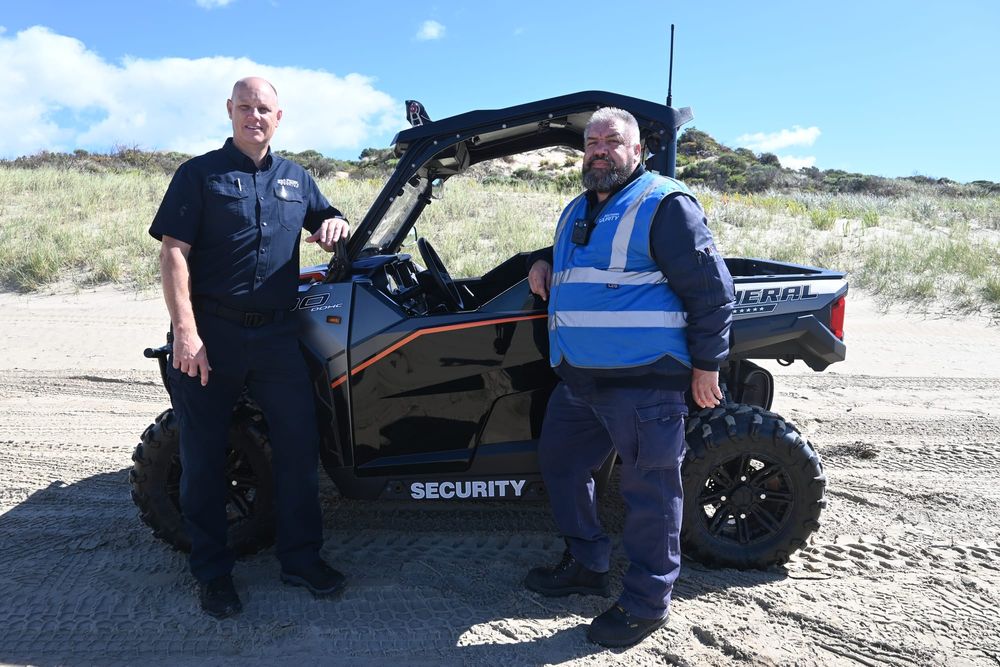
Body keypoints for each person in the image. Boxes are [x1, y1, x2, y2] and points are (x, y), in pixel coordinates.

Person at [523, 107, 735, 648]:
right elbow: (587, 257)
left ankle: (647, 603)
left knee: (650, 491)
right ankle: (588, 564)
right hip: (582, 381)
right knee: (563, 463)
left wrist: (707, 364)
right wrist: (544, 262)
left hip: (645, 383)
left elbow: (712, 291)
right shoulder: (578, 207)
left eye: (611, 141)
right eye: (591, 142)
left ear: (637, 150)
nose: (598, 150)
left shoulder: (664, 204)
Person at [149, 77, 350, 619]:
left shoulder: (297, 178)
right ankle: (213, 574)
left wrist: (334, 221)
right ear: (229, 112)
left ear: (279, 117)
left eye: (263, 108)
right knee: (204, 457)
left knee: (298, 450)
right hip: (211, 335)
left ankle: (301, 559)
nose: (253, 116)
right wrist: (186, 334)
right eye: (245, 107)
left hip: (277, 337)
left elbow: (329, 220)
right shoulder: (198, 175)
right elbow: (173, 254)